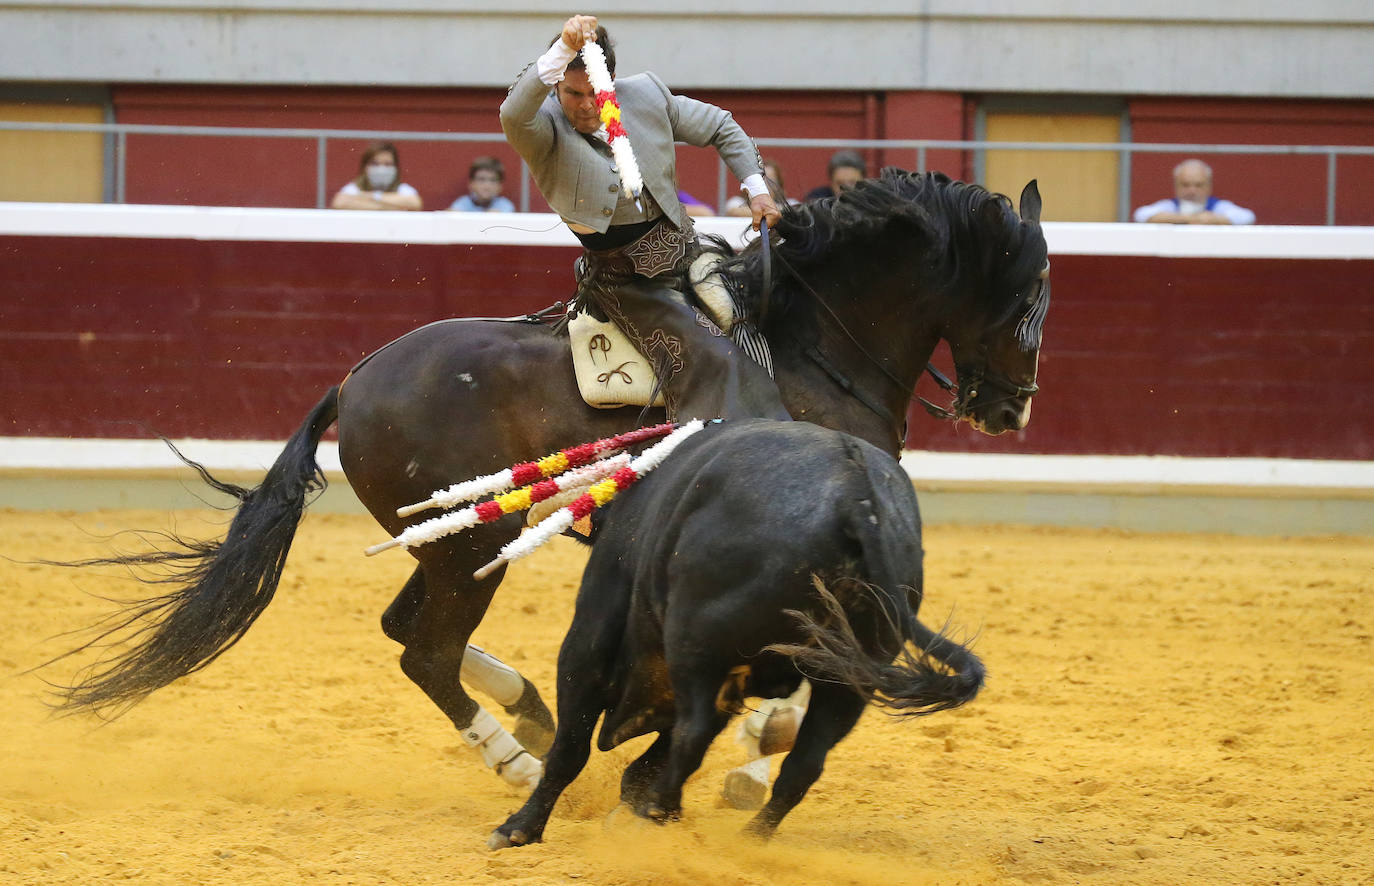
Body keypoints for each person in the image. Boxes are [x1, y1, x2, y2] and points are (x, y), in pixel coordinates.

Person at [499, 14, 790, 422]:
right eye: (572, 93)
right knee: (712, 359)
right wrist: (563, 49)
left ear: (612, 82)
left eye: (595, 93)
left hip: (690, 250)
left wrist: (757, 189)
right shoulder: (541, 125)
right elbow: (513, 112)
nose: (585, 106)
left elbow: (720, 125)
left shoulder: (647, 95)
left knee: (770, 315)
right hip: (627, 280)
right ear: (556, 86)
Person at [1133, 159, 1255, 225]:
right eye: (1185, 185)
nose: (1192, 191)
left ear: (1209, 187)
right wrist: (1189, 218)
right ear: (1176, 186)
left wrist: (1215, 220)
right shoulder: (1170, 206)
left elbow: (1247, 217)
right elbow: (1141, 214)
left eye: (1198, 185)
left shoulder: (1218, 206)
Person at [330, 141, 423, 211]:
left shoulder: (403, 189)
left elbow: (415, 203)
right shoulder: (355, 188)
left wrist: (371, 197)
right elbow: (339, 202)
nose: (381, 169)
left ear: (396, 167)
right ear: (365, 167)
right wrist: (392, 206)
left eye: (387, 164)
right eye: (375, 164)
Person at [724, 158, 798, 217]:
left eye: (770, 180)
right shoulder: (737, 202)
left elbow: (796, 212)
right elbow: (734, 211)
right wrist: (773, 211)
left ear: (778, 186)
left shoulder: (790, 203)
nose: (764, 185)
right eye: (760, 180)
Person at [449, 156, 516, 212]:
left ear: (500, 186)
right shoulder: (463, 202)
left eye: (493, 180)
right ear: (471, 184)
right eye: (481, 179)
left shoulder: (505, 204)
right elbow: (452, 214)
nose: (487, 186)